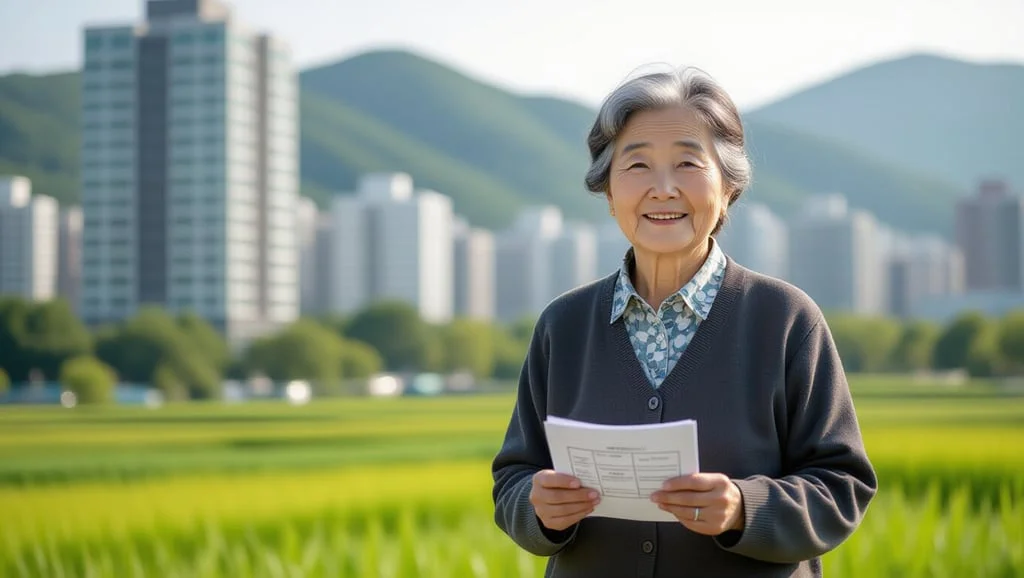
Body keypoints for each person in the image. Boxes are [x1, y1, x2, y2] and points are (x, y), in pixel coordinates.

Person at [490, 66, 877, 578]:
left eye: (688, 164)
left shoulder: (785, 320)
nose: (663, 188)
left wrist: (744, 507)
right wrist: (537, 509)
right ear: (608, 193)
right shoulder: (563, 326)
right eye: (637, 166)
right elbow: (513, 477)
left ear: (728, 189)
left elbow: (842, 483)